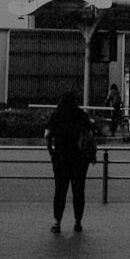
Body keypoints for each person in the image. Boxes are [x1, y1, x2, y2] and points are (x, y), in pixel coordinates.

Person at [44, 90, 93, 233]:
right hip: (79, 160)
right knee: (78, 190)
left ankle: (57, 223)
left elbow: (47, 135)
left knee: (60, 190)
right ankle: (78, 222)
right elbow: (89, 136)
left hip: (61, 158)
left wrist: (51, 152)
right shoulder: (81, 115)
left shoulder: (57, 114)